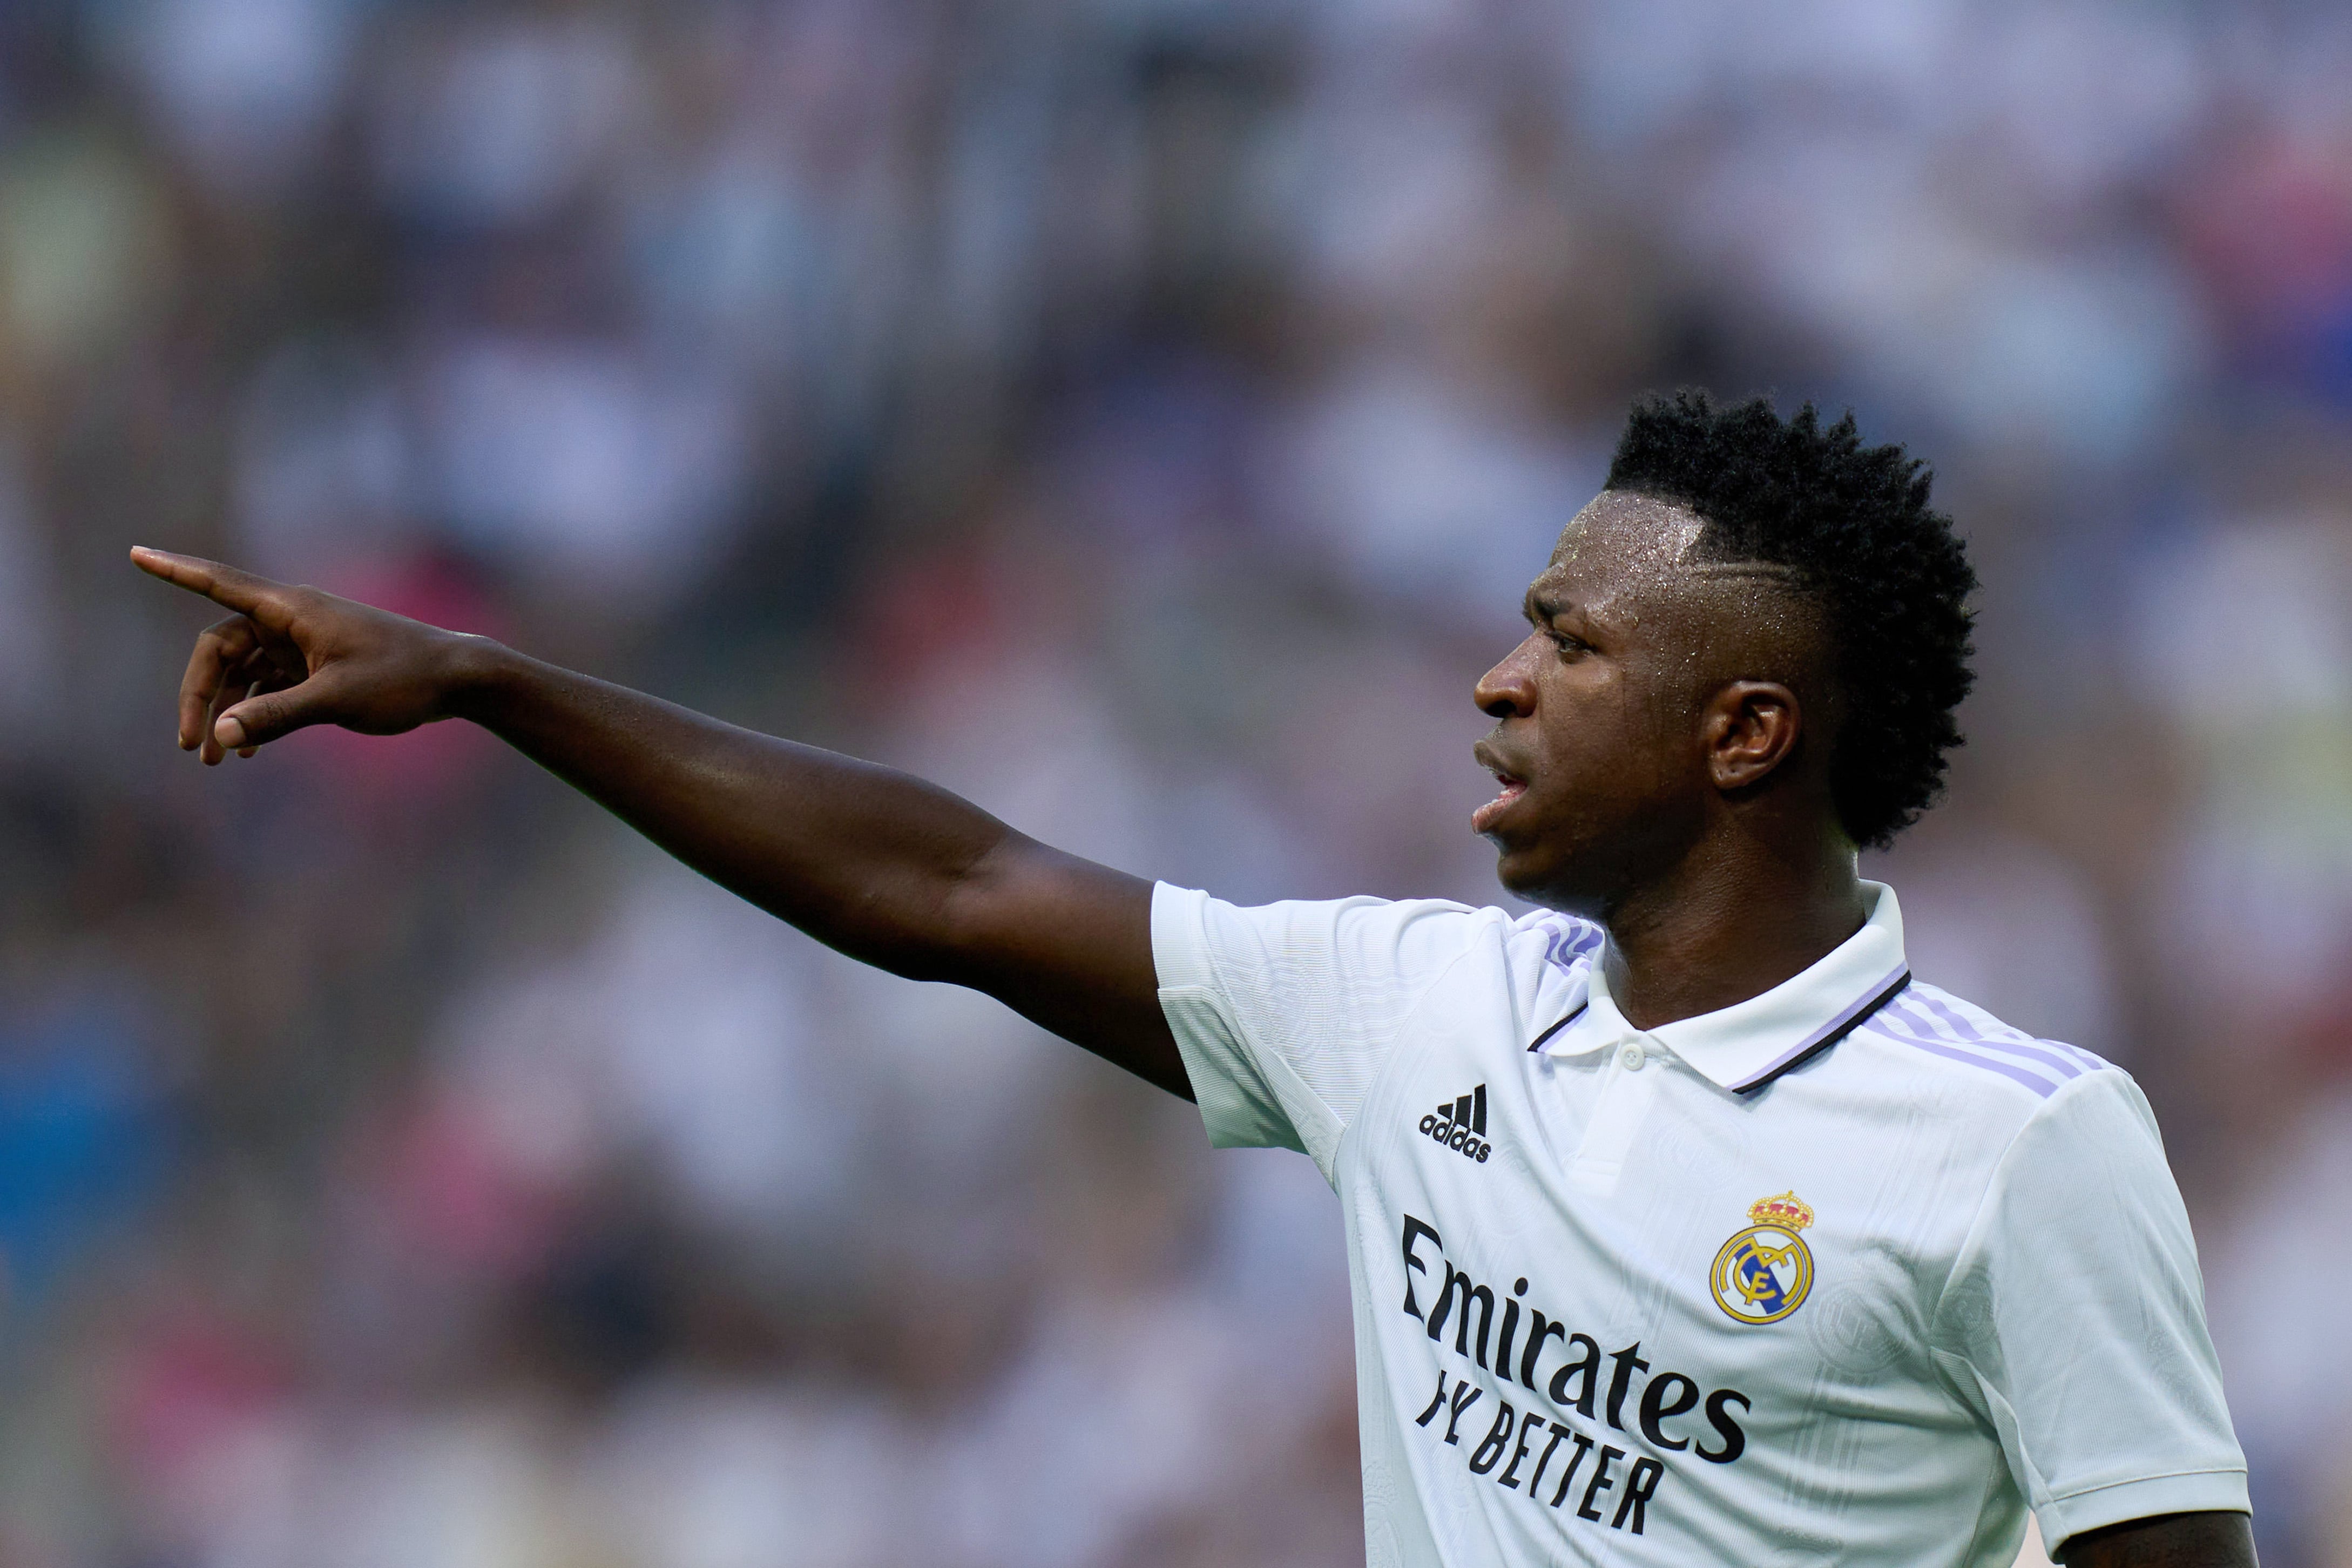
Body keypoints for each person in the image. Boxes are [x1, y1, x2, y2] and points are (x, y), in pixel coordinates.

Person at [133, 392, 2252, 1567]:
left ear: (1749, 736)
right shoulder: (1421, 1007)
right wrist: (498, 688)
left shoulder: (2018, 1146)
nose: (1501, 682)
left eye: (1578, 645)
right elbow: (950, 883)